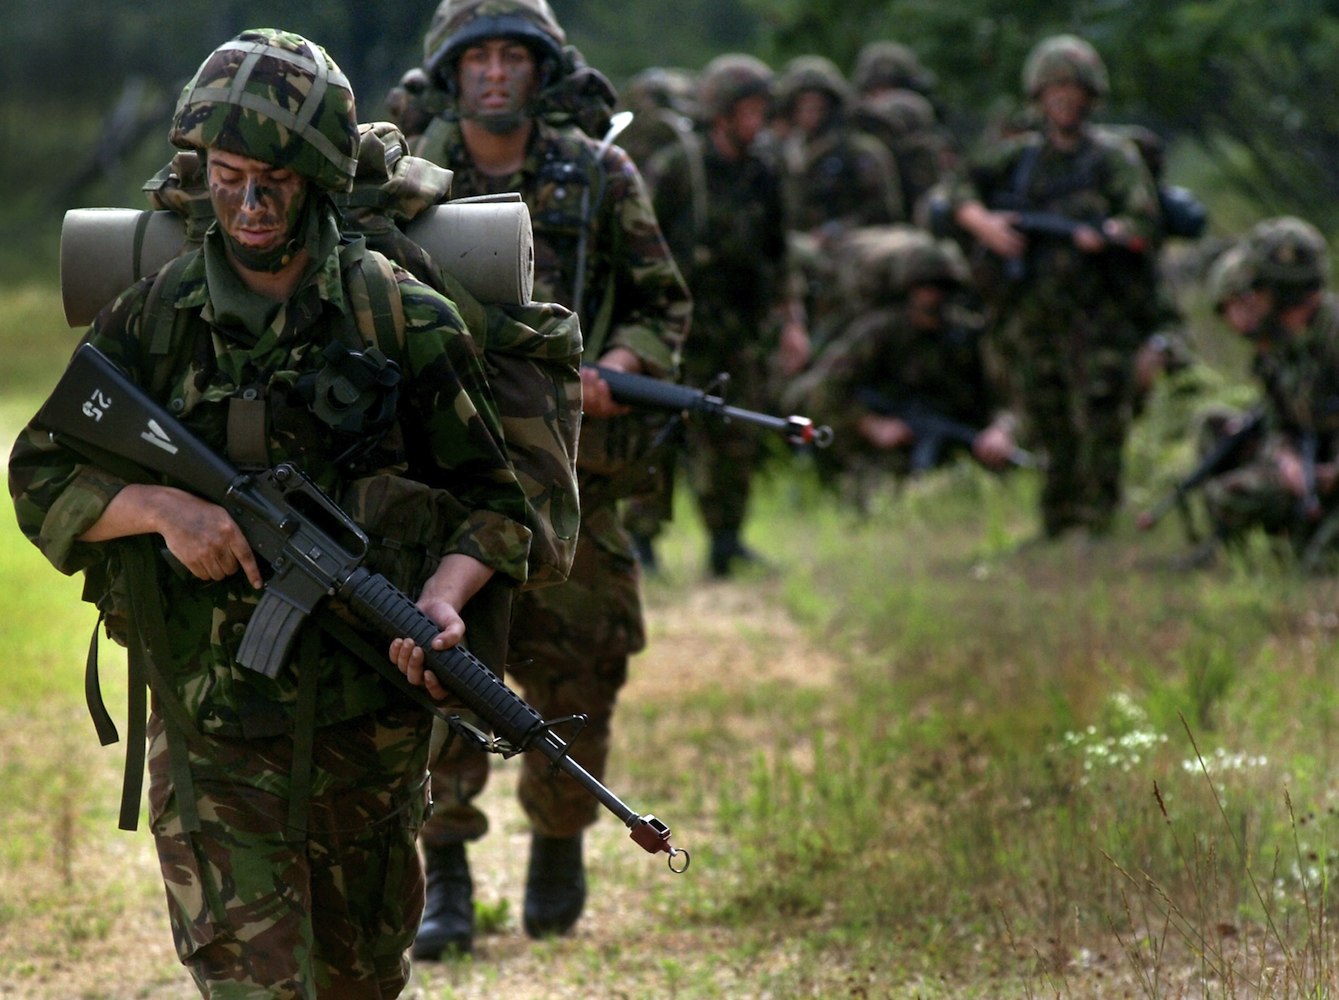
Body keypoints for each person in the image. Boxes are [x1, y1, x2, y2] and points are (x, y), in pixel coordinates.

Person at [8, 28, 534, 999]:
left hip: (367, 735)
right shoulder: (154, 316)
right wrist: (163, 509)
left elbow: (500, 505)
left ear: (319, 181)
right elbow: (39, 472)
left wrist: (447, 598)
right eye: (226, 176)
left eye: (275, 182)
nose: (248, 206)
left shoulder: (405, 320)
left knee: (361, 981)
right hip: (211, 733)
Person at [404, 0, 692, 955]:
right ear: (451, 71)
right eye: (475, 56)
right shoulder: (402, 175)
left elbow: (662, 303)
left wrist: (623, 365)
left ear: (541, 70)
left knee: (580, 675)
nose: (493, 73)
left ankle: (558, 848)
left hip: (569, 487)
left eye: (511, 56)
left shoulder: (600, 173)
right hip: (440, 478)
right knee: (439, 676)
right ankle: (441, 875)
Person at [947, 33, 1162, 540]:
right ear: (1039, 96)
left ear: (1090, 95)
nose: (1064, 98)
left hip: (1098, 314)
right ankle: (1055, 521)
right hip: (1032, 312)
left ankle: (1098, 523)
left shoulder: (1113, 157)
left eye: (1073, 88)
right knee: (1046, 416)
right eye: (1054, 89)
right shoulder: (1018, 158)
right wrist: (983, 224)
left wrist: (1110, 235)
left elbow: (1142, 220)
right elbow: (956, 187)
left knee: (1100, 418)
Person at [642, 53, 809, 576]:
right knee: (660, 432)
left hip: (741, 327)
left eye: (763, 109)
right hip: (678, 326)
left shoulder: (765, 171)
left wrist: (792, 321)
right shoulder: (678, 169)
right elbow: (641, 243)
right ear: (722, 113)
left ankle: (727, 540)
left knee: (736, 437)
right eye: (749, 109)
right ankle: (643, 542)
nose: (758, 121)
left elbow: (781, 252)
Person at [789, 227, 1019, 501]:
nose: (933, 297)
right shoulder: (880, 332)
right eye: (925, 287)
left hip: (956, 435)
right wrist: (871, 424)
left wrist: (1001, 431)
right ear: (910, 289)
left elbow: (1010, 397)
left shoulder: (967, 334)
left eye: (941, 288)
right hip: (885, 447)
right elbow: (818, 391)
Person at [1196, 218, 1339, 565]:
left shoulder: (1332, 333)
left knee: (1318, 563)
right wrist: (1285, 456)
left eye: (1257, 288)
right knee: (1216, 433)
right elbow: (1278, 418)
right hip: (1310, 462)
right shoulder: (1276, 343)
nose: (1251, 299)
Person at [774, 54, 905, 239]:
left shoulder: (859, 151)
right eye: (802, 104)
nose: (809, 112)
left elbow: (882, 212)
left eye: (817, 104)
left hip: (855, 244)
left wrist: (836, 230)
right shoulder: (785, 153)